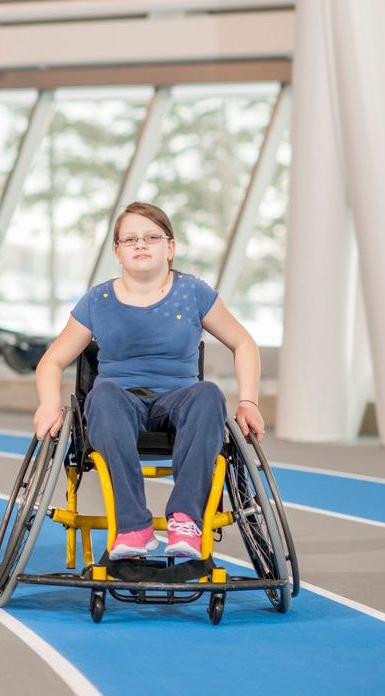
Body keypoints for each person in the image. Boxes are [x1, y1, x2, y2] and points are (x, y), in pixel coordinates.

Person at [33, 202, 265, 561]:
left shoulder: (194, 293)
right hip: (119, 403)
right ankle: (132, 527)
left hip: (180, 402)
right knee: (104, 394)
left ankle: (186, 519)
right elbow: (53, 360)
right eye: (130, 239)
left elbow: (243, 343)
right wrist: (49, 404)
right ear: (118, 252)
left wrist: (248, 401)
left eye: (151, 237)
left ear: (170, 248)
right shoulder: (99, 300)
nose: (141, 244)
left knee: (209, 394)